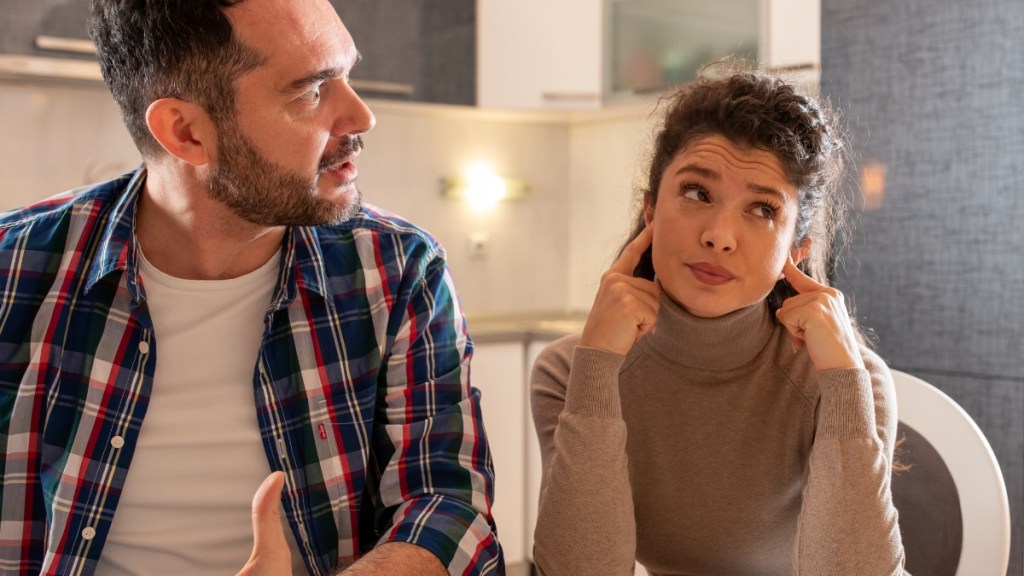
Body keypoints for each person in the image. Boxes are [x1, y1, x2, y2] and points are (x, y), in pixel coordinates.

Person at [0, 1, 501, 575]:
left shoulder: (397, 270)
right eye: (311, 92)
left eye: (347, 75)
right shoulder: (14, 267)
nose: (361, 117)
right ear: (186, 132)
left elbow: (450, 507)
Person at [530, 66, 906, 575]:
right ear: (650, 213)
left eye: (762, 209)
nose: (720, 236)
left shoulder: (847, 378)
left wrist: (843, 386)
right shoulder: (566, 370)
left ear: (796, 250)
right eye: (697, 193)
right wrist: (596, 370)